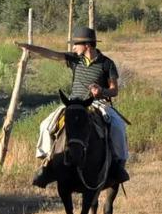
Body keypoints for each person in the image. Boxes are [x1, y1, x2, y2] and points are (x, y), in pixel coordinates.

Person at [19, 26, 128, 188]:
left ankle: (118, 165)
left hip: (96, 103)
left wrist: (101, 91)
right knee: (45, 125)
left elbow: (114, 90)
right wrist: (30, 48)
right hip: (73, 104)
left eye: (76, 44)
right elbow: (52, 54)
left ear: (88, 45)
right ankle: (46, 164)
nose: (73, 47)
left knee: (118, 127)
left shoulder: (107, 64)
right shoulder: (75, 59)